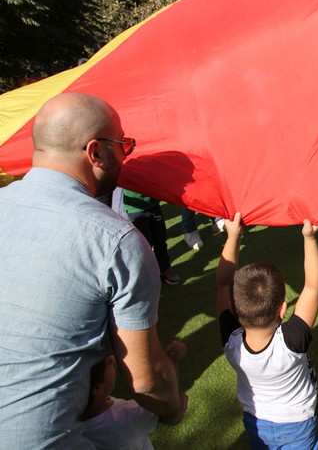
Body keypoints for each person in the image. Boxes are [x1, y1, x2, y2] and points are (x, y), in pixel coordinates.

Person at [0, 92, 187, 447]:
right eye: (124, 145)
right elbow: (145, 379)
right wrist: (174, 407)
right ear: (96, 152)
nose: (125, 155)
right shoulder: (116, 241)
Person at [217, 212, 318, 449]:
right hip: (299, 426)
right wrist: (310, 238)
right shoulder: (292, 342)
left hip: (256, 423)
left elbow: (223, 283)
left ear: (236, 309)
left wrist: (233, 236)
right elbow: (312, 287)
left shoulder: (230, 341)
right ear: (283, 309)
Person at [81, 342, 186, 449]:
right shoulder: (126, 417)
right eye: (109, 362)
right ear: (98, 388)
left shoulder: (72, 419)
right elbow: (170, 405)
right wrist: (171, 362)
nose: (113, 360)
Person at [124, 190, 183, 285]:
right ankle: (148, 276)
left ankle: (165, 269)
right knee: (144, 246)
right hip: (136, 209)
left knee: (160, 239)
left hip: (154, 204)